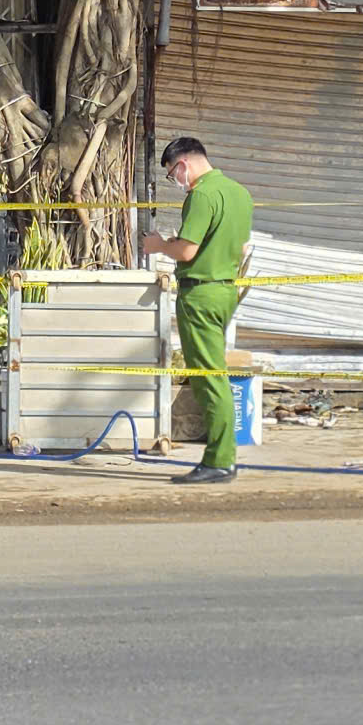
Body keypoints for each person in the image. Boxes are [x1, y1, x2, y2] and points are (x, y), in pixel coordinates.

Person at [141, 136, 253, 486]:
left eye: (173, 173)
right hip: (225, 291)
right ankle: (221, 457)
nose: (175, 180)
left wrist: (158, 245)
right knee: (212, 373)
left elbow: (187, 251)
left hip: (200, 293)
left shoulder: (202, 195)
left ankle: (220, 460)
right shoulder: (239, 193)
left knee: (208, 377)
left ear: (184, 164)